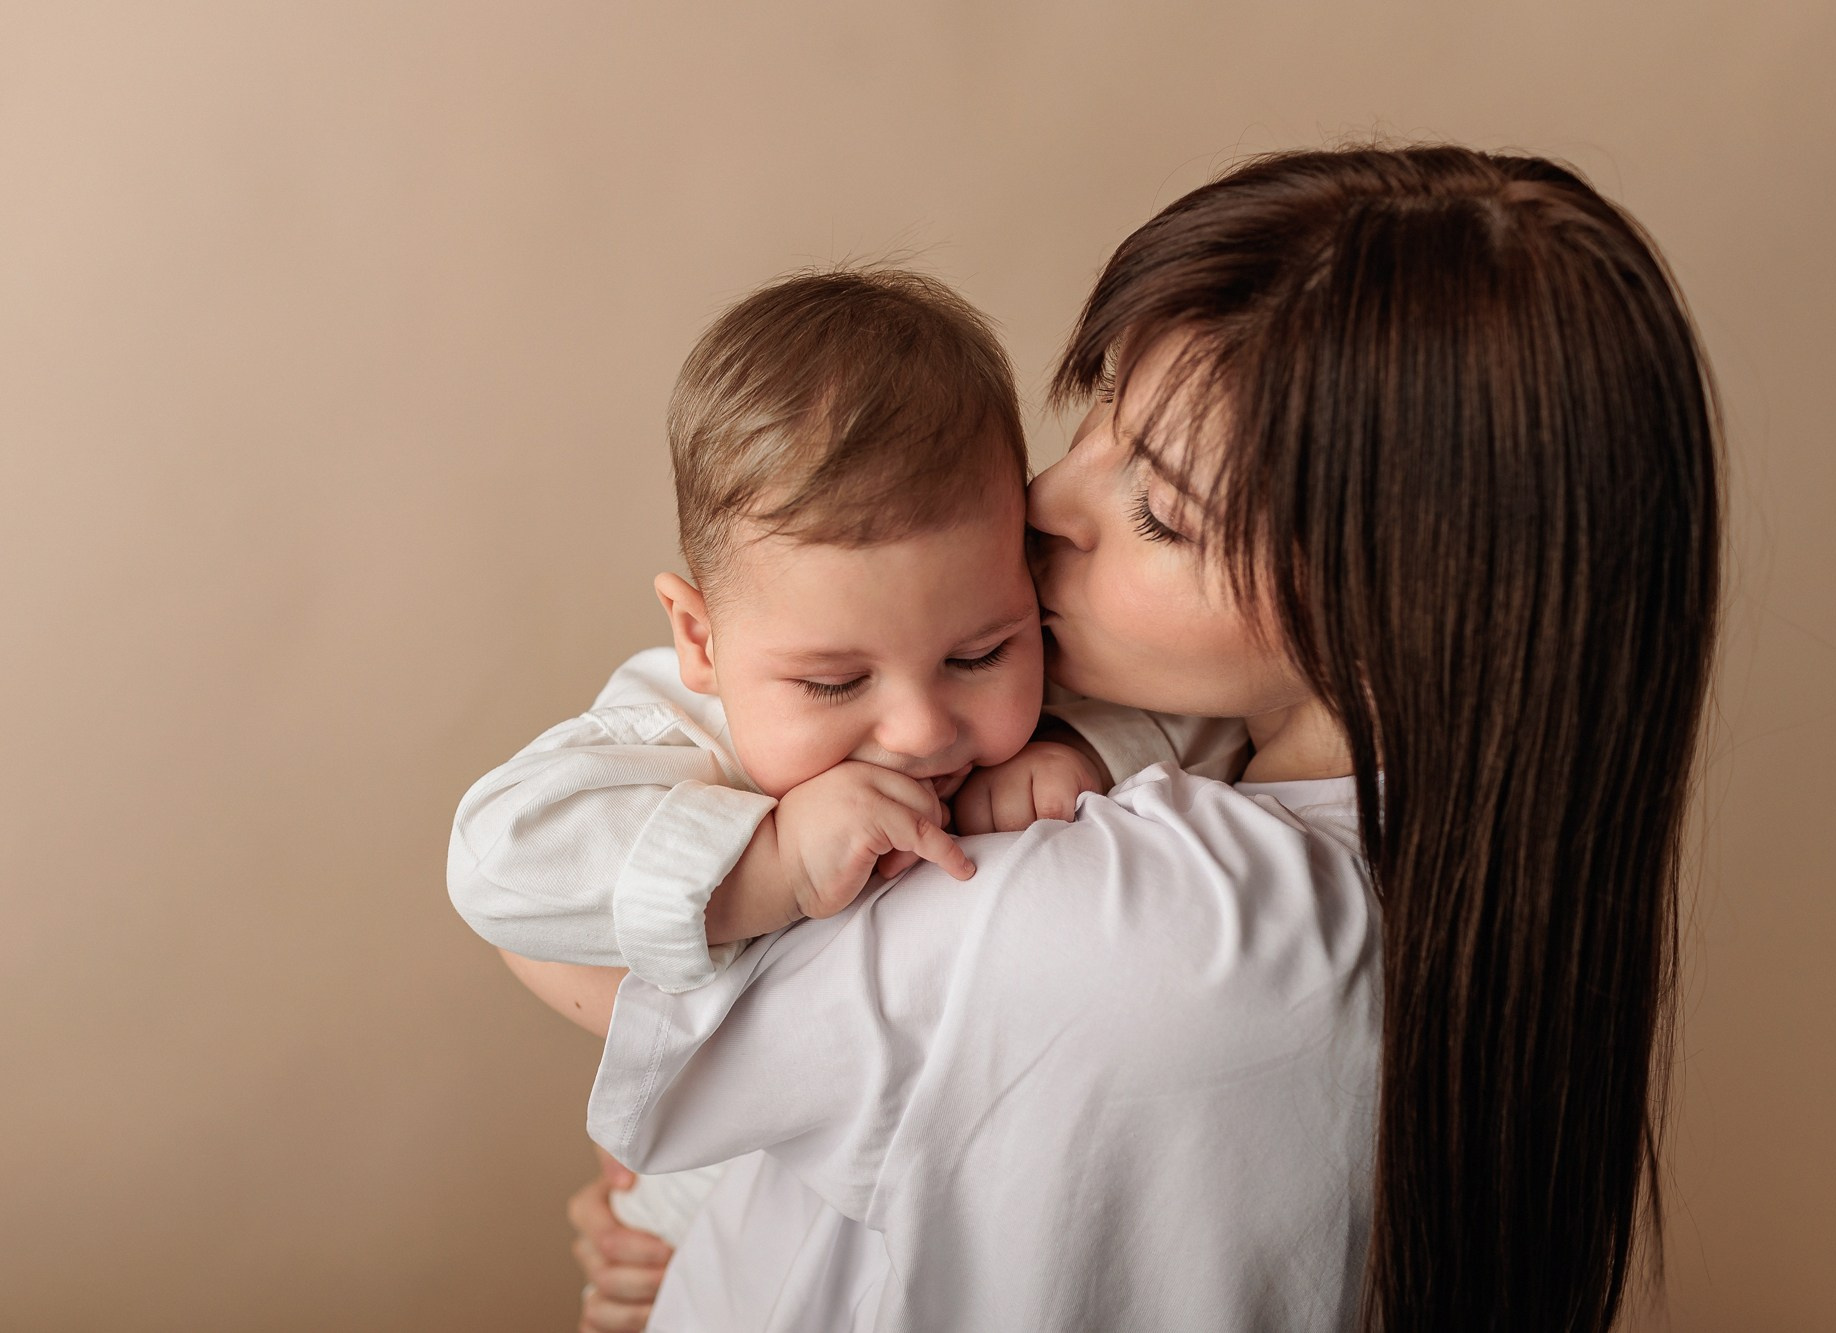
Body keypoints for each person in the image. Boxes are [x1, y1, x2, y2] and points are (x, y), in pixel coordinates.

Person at [522, 145, 1722, 1332]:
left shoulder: (1155, 922)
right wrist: (709, 1231)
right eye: (1096, 411)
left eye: (1160, 511)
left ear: (1397, 604)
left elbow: (577, 951)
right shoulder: (1451, 887)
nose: (1042, 501)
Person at [448, 268, 1246, 1255]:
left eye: (978, 656)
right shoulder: (682, 727)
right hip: (699, 1216)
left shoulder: (1054, 707)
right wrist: (771, 862)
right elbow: (496, 858)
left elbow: (1219, 721)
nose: (918, 729)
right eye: (833, 683)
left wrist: (1082, 747)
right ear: (701, 637)